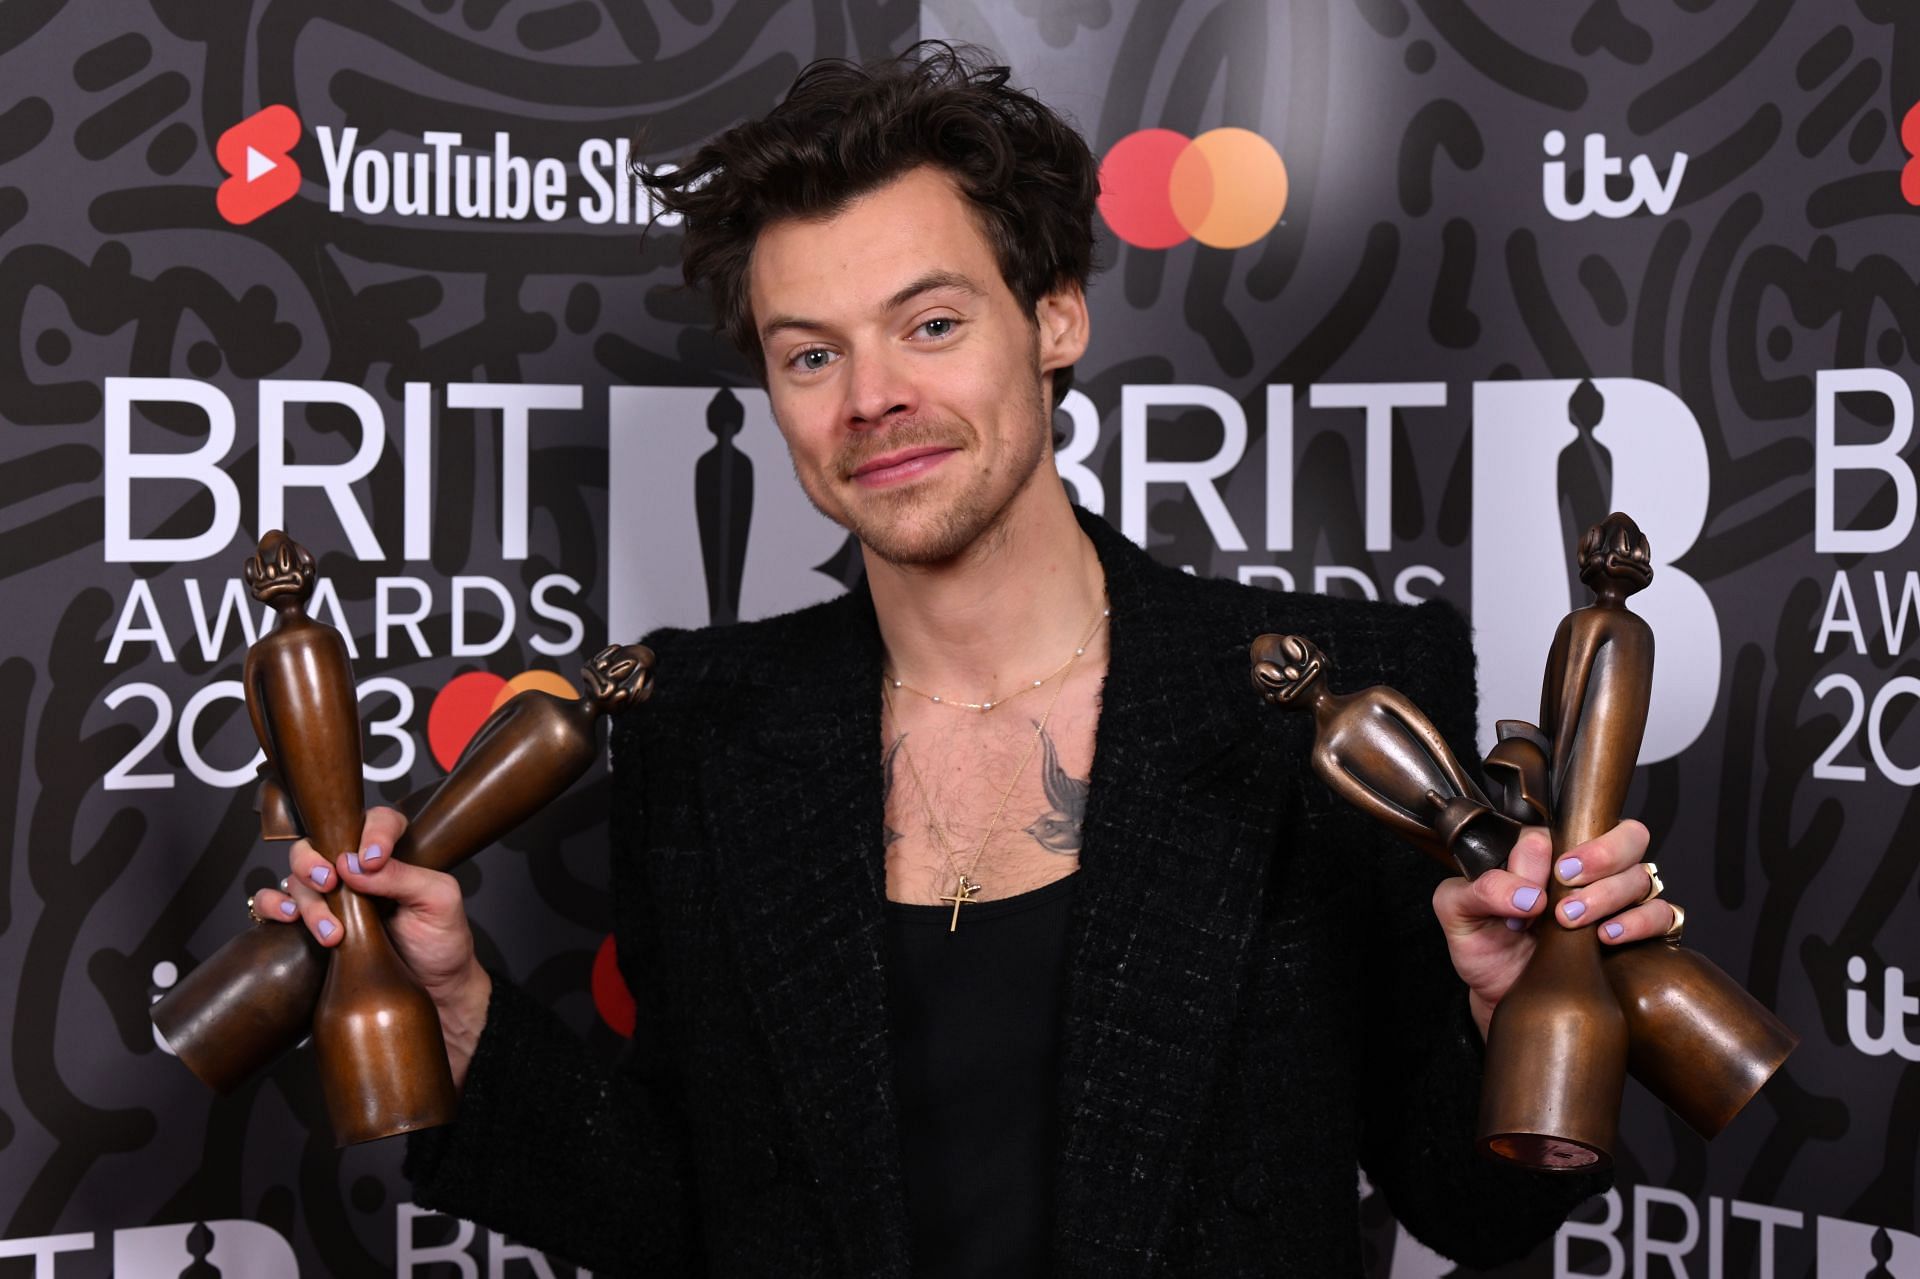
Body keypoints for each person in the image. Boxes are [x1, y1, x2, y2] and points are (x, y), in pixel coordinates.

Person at [250, 43, 1678, 1276]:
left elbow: (1466, 1208)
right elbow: (688, 1215)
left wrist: (1514, 1017)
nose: (875, 399)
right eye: (808, 356)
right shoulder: (703, 724)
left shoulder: (1336, 693)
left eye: (931, 325)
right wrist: (463, 1014)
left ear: (1054, 317)